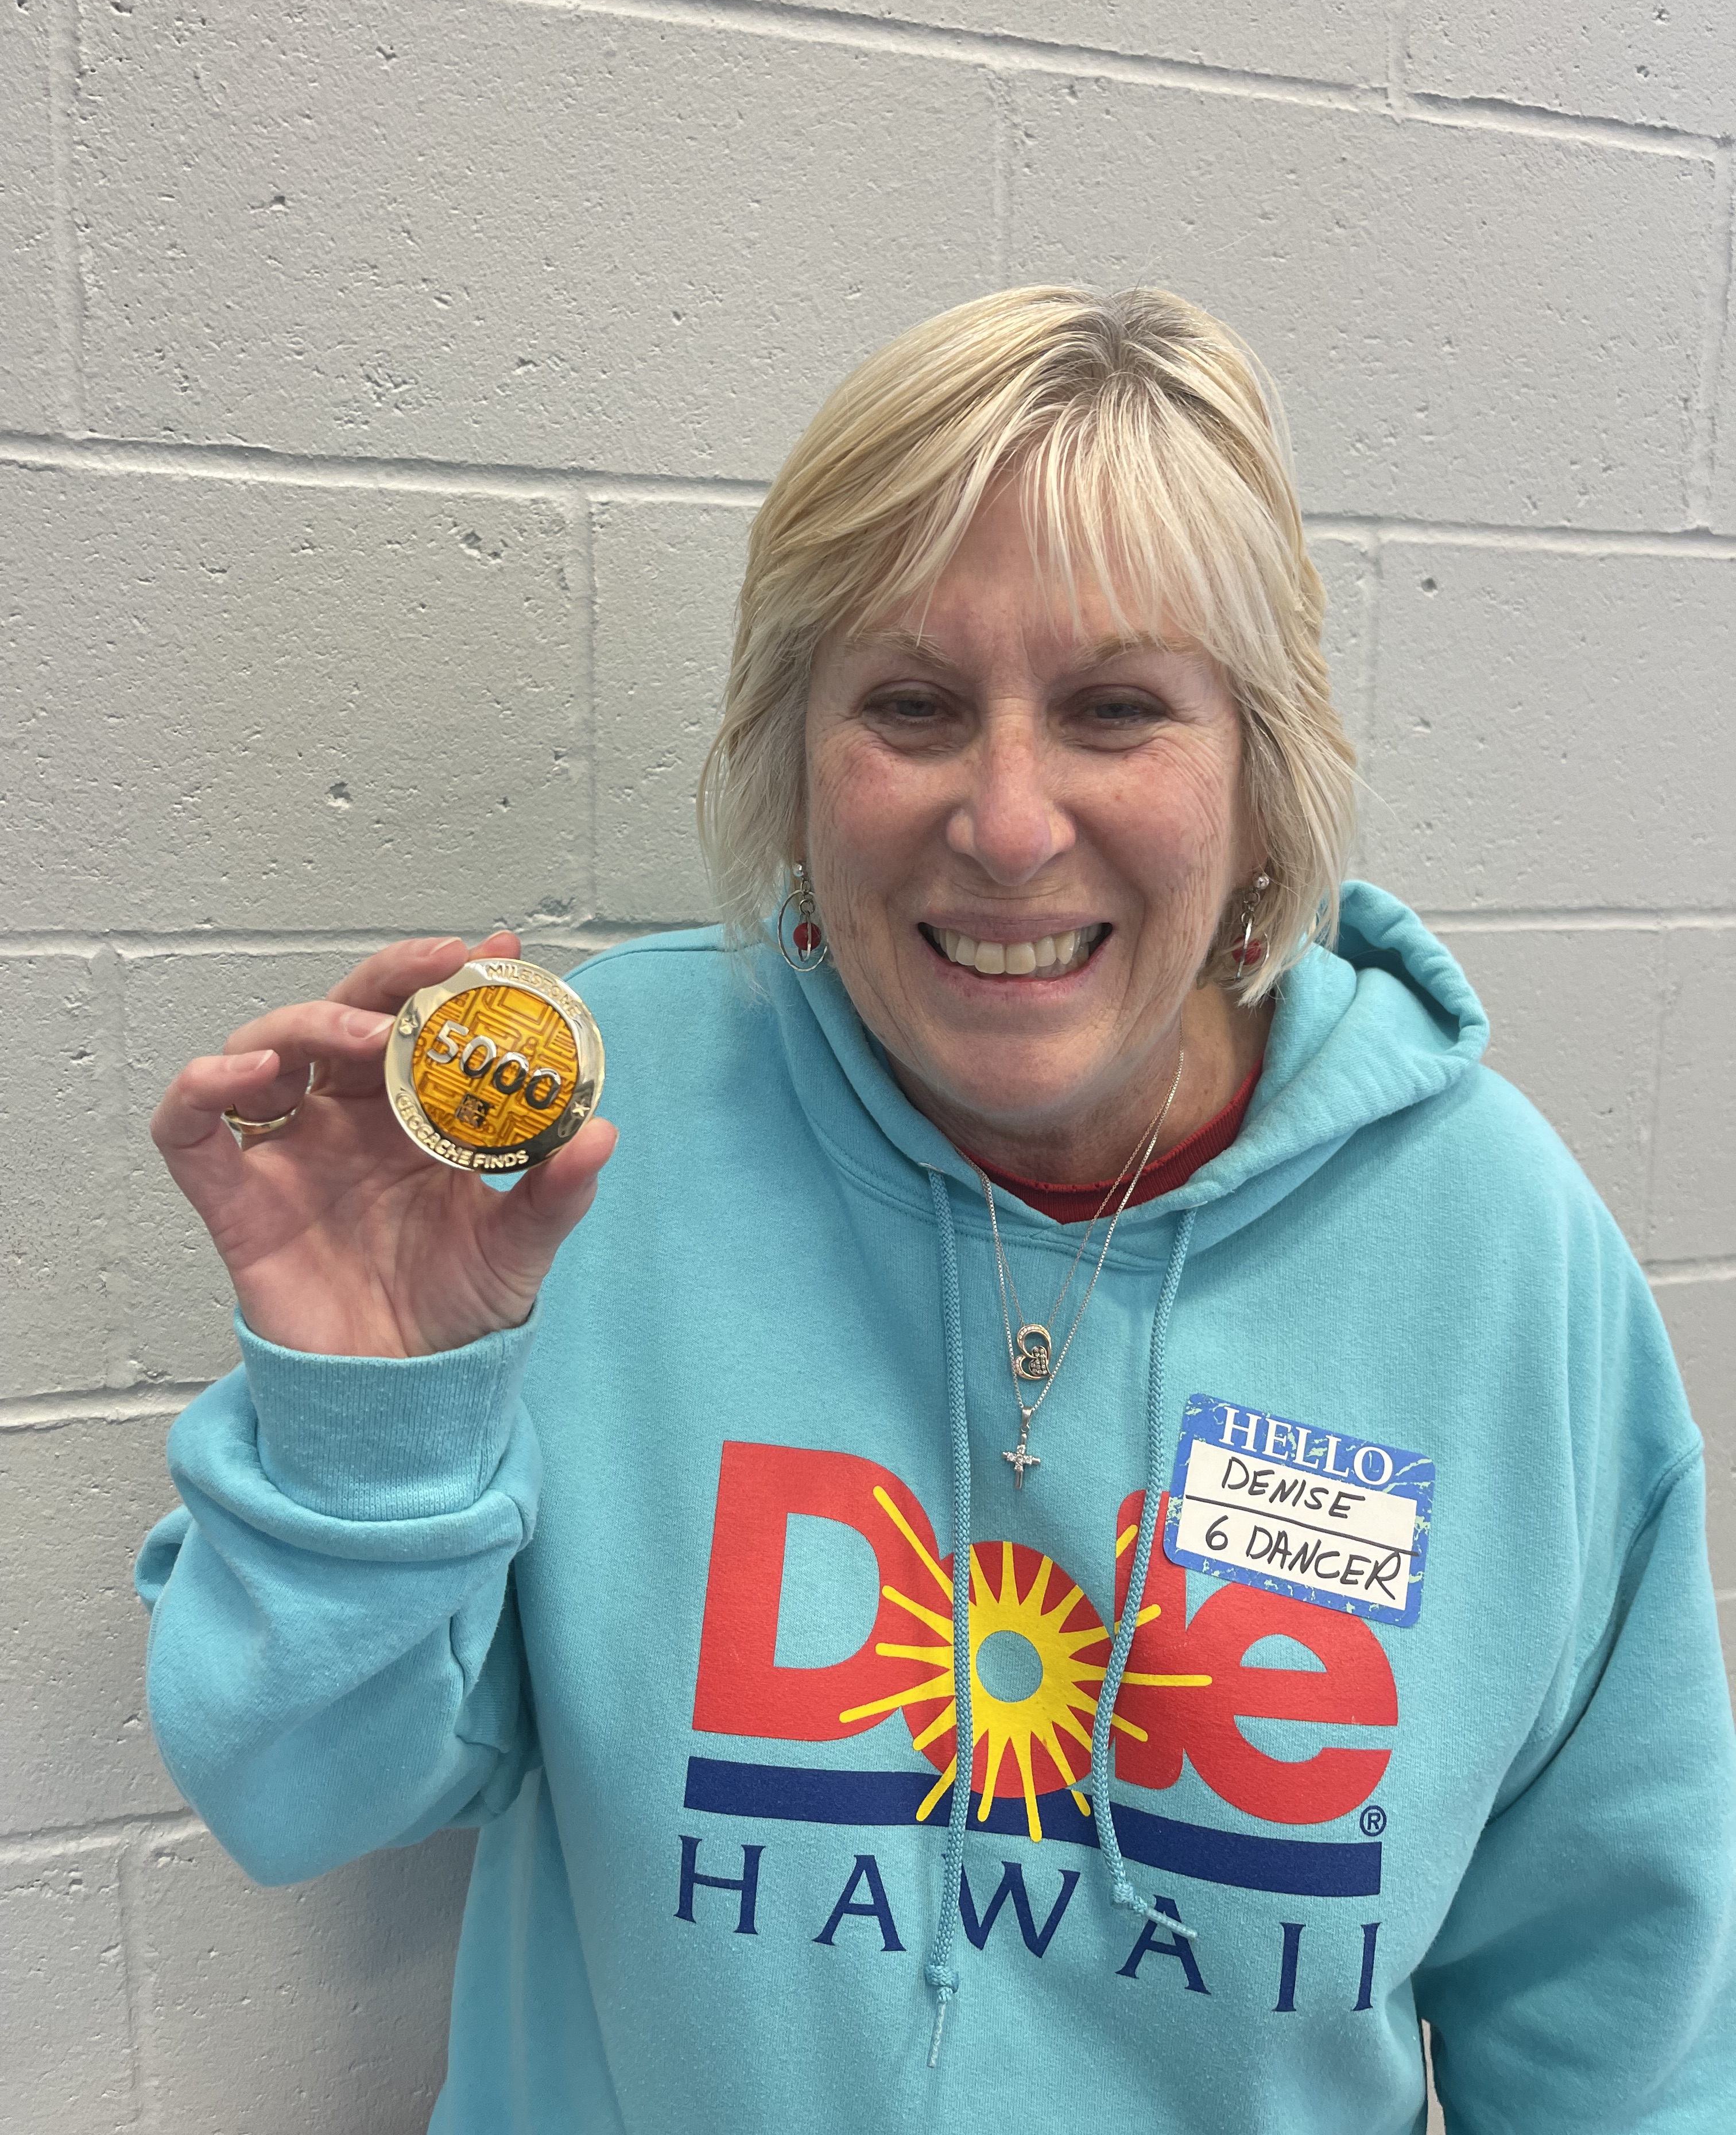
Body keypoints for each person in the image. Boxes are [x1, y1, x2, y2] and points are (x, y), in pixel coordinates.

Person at [138, 288, 1733, 2133]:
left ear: (1262, 782)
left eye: (1117, 710)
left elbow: (1632, 2039)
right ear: (794, 764)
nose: (1008, 822)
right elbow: (298, 1796)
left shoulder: (1499, 1257)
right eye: (911, 706)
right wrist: (372, 1436)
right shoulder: (587, 1158)